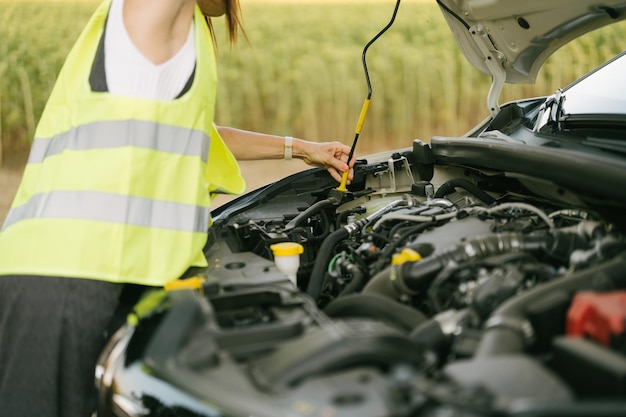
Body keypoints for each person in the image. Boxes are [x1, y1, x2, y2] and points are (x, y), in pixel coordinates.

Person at [0, 0, 354, 416]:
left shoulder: (189, 31)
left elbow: (201, 133)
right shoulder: (150, 12)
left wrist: (301, 149)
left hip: (116, 271)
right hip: (65, 273)